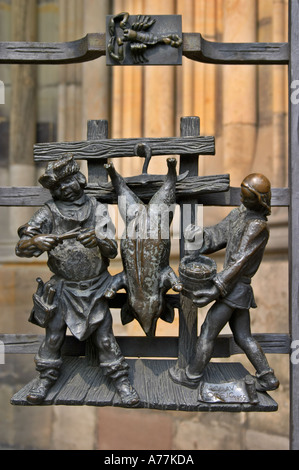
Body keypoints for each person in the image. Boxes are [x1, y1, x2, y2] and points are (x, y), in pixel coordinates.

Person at [16, 154, 140, 406]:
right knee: (53, 337)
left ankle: (120, 380)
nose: (64, 190)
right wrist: (36, 241)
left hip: (95, 288)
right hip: (62, 289)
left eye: (67, 183)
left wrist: (98, 239)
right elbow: (22, 245)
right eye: (58, 188)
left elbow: (112, 249)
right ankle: (46, 377)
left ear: (79, 179)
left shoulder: (97, 208)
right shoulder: (48, 212)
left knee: (105, 338)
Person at [169, 173, 279, 393]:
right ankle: (267, 378)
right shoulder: (240, 215)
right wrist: (199, 235)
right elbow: (218, 233)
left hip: (236, 288)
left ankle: (192, 376)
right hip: (233, 287)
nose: (241, 198)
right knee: (243, 336)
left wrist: (216, 288)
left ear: (258, 200)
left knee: (209, 328)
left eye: (247, 196)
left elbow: (239, 262)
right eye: (242, 193)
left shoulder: (258, 227)